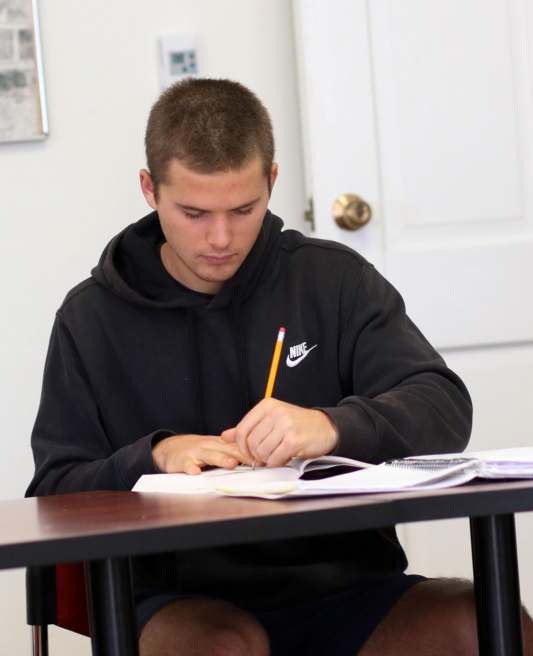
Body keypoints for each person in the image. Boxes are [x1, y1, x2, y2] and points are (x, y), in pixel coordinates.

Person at [26, 78, 529, 655]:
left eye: (243, 209)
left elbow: (442, 403)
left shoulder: (332, 281)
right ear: (149, 190)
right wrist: (153, 456)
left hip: (349, 588)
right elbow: (54, 494)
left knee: (486, 622)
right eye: (193, 213)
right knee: (225, 646)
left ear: (272, 181)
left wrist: (333, 426)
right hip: (177, 600)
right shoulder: (91, 318)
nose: (220, 238)